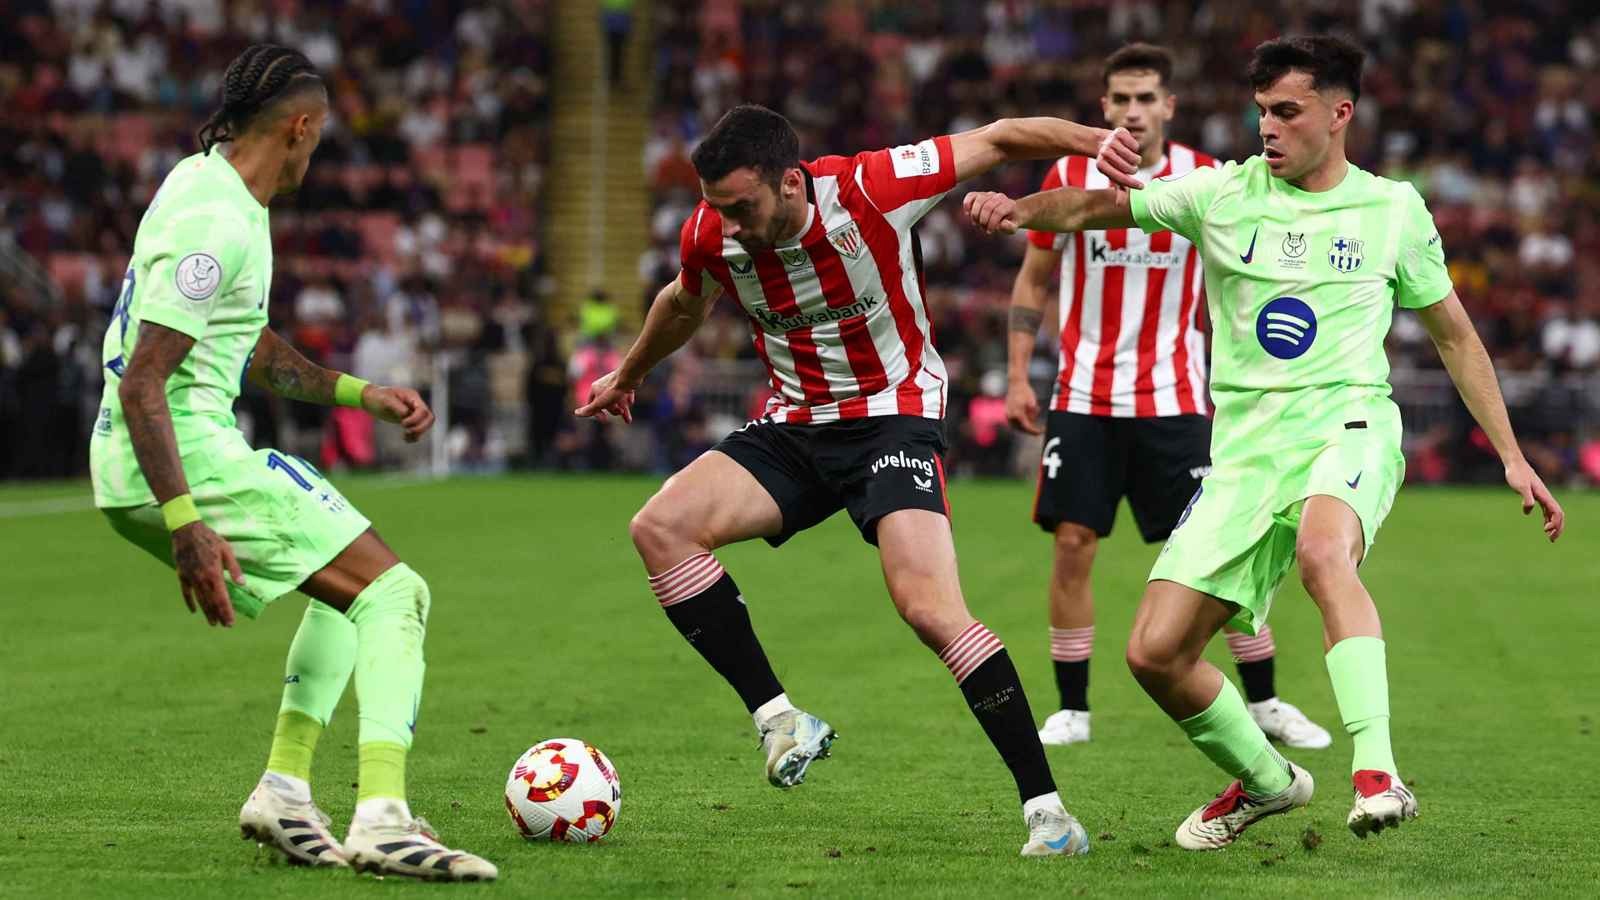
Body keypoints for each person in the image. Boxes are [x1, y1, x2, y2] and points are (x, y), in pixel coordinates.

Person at [964, 35, 1564, 850]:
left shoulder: (1392, 210)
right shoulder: (1219, 194)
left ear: (1340, 113)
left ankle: (1378, 772)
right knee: (1154, 653)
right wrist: (1018, 210)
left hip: (1347, 426)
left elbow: (1455, 335)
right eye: (1261, 112)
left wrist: (1512, 455)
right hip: (1245, 455)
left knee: (1323, 553)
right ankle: (1268, 781)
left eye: (1287, 111)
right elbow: (1095, 209)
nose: (1268, 128)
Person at [578, 103, 1141, 856]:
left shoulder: (874, 186)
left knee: (930, 610)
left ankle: (1049, 812)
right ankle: (780, 719)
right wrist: (629, 374)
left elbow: (1002, 138)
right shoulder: (713, 231)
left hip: (891, 420)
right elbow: (685, 302)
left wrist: (1096, 141)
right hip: (795, 426)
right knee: (659, 528)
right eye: (717, 208)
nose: (730, 224)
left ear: (789, 182)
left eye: (742, 206)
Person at [89, 45, 495, 881]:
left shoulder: (204, 184)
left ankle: (284, 790)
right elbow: (143, 382)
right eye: (321, 135)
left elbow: (244, 342)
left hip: (169, 453)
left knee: (348, 592)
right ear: (300, 127)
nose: (319, 151)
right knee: (397, 593)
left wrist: (356, 393)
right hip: (182, 457)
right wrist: (187, 524)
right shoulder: (217, 223)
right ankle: (383, 819)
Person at [1006, 43, 1330, 750]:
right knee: (1072, 545)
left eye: (1146, 98)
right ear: (1104, 106)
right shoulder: (1069, 175)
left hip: (1175, 398)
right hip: (1084, 395)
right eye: (1121, 99)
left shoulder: (1204, 178)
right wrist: (1017, 373)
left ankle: (1267, 701)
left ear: (1169, 106)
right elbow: (1034, 278)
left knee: (1221, 551)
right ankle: (1073, 709)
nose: (1133, 111)